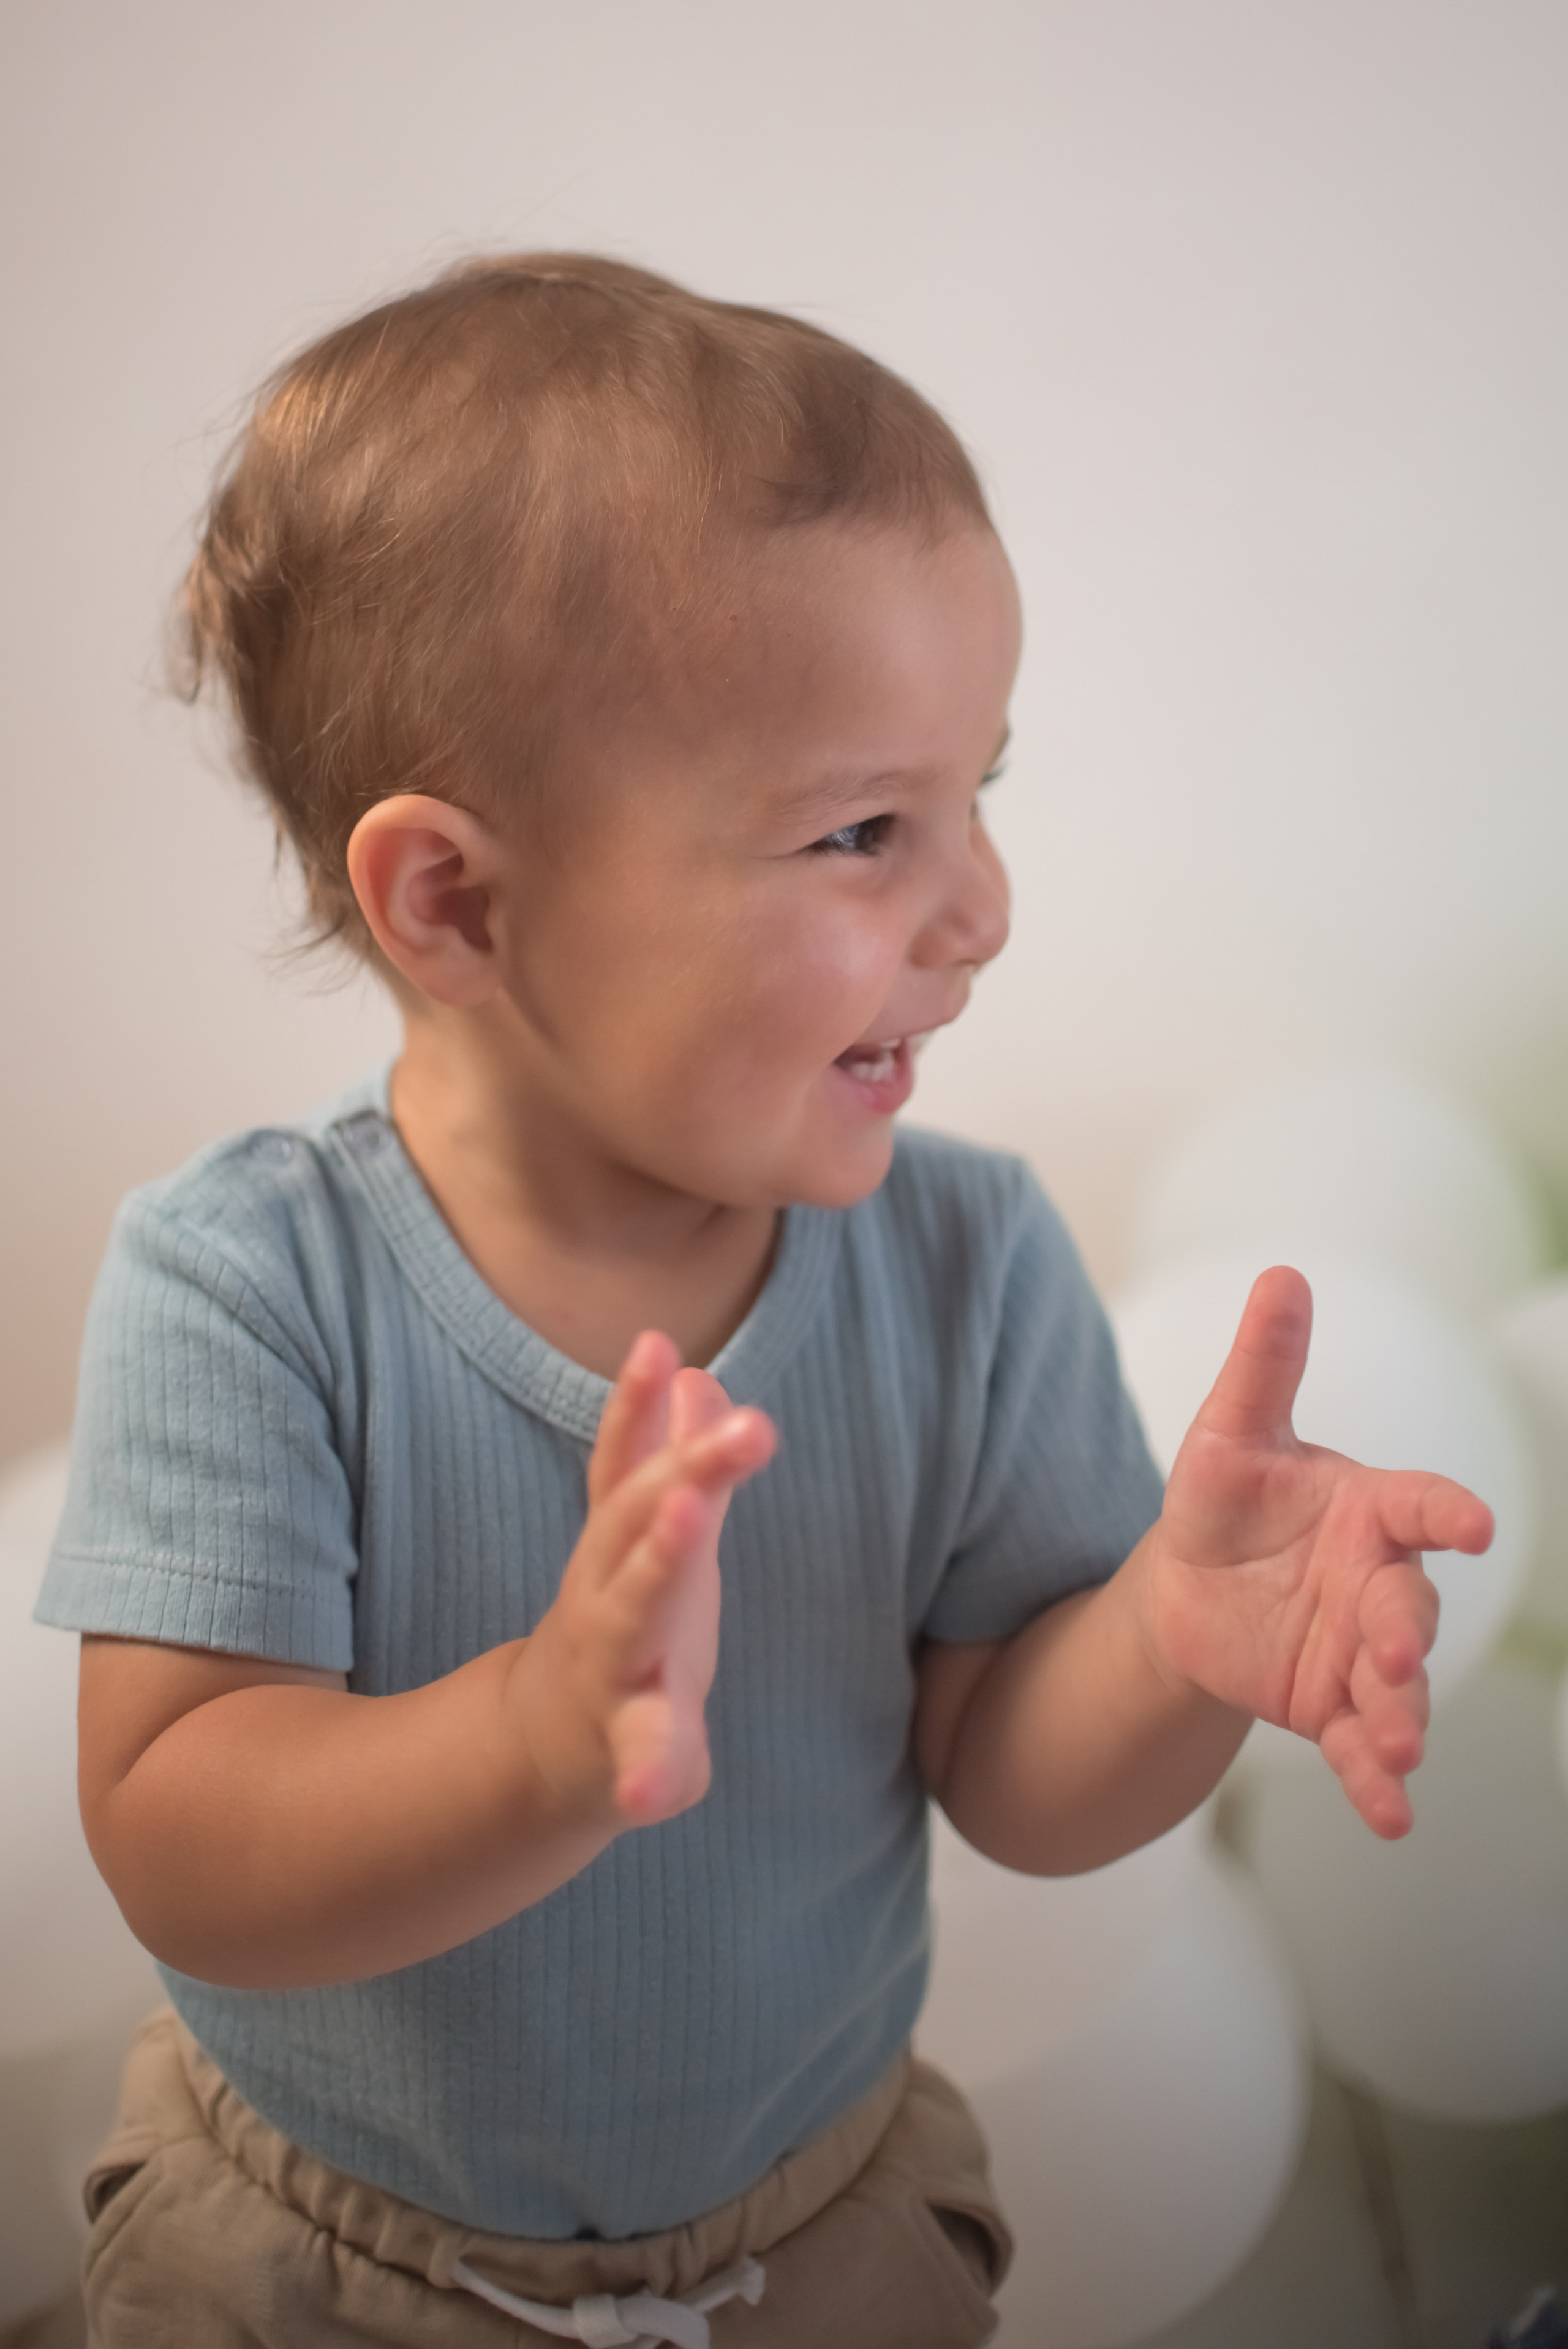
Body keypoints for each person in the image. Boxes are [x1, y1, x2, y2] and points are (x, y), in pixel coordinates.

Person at [36, 254, 1493, 2348]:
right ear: (459, 902)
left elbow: (1012, 1772)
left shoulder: (969, 1261)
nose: (982, 909)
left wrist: (1170, 1643)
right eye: (866, 828)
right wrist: (535, 1738)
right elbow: (180, 1833)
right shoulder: (249, 1281)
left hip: (805, 2240)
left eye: (982, 793)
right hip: (314, 2262)